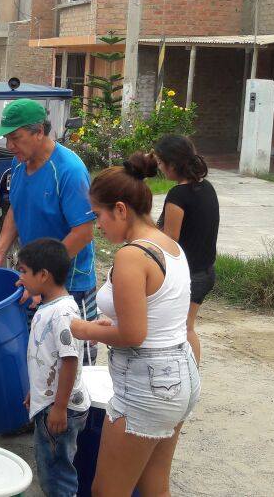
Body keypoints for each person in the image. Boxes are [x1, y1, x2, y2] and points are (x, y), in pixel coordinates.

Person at [68, 153, 201, 497]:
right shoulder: (168, 245)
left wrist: (84, 329)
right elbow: (155, 313)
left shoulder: (131, 255)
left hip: (148, 382)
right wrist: (110, 323)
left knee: (106, 490)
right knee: (154, 485)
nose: (98, 226)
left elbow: (133, 334)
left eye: (98, 215)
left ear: (120, 209)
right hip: (180, 374)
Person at [0, 98, 98, 364]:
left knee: (75, 362)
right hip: (36, 279)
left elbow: (83, 232)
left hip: (70, 284)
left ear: (40, 132)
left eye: (16, 138)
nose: (9, 146)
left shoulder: (69, 171)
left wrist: (43, 277)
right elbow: (16, 208)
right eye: (7, 139)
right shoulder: (19, 163)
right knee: (41, 359)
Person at [17, 238, 92, 497]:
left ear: (43, 275)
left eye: (24, 271)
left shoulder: (61, 313)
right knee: (51, 466)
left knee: (56, 475)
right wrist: (37, 391)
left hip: (61, 409)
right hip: (52, 402)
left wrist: (59, 408)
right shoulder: (49, 306)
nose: (20, 278)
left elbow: (70, 360)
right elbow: (47, 359)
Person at [153, 135, 218, 363]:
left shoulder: (178, 195)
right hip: (205, 270)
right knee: (186, 327)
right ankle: (191, 376)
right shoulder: (206, 187)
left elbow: (170, 238)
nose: (159, 168)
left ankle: (190, 377)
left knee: (184, 328)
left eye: (161, 162)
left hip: (190, 274)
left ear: (172, 164)